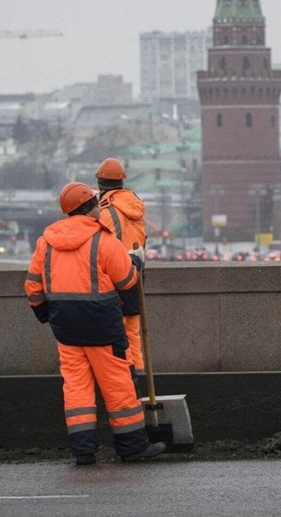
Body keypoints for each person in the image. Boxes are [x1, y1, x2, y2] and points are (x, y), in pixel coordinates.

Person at [24, 182, 165, 465]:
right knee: (118, 385)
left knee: (76, 388)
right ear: (90, 209)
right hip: (102, 325)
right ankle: (132, 447)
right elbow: (126, 281)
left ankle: (84, 451)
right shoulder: (104, 240)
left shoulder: (46, 242)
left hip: (65, 327)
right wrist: (135, 262)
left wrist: (45, 314)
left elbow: (33, 288)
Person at [95, 157, 148, 393]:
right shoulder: (134, 207)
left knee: (114, 334)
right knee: (133, 332)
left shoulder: (106, 211)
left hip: (114, 277)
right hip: (136, 274)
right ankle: (140, 380)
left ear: (100, 183)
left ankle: (123, 383)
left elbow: (100, 247)